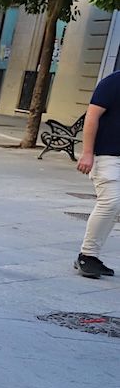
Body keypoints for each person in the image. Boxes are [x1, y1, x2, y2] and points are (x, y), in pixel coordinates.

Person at [75, 70, 120, 278]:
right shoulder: (113, 82)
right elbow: (92, 116)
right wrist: (87, 153)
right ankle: (87, 256)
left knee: (113, 207)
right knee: (110, 202)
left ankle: (91, 255)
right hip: (108, 156)